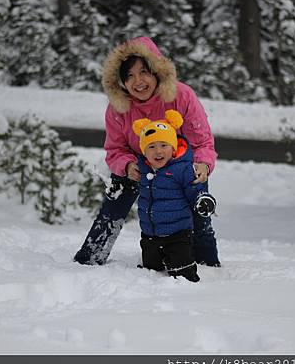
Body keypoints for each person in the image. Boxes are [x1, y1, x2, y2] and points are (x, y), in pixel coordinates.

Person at [73, 36, 220, 266]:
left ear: (156, 71)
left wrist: (203, 164)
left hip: (178, 164)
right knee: (113, 204)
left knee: (198, 207)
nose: (138, 81)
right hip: (138, 164)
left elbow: (202, 142)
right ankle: (90, 257)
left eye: (143, 72)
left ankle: (207, 263)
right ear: (121, 82)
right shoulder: (118, 108)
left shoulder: (181, 96)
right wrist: (128, 166)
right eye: (129, 76)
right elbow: (115, 149)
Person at [132, 110, 216, 282]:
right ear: (144, 151)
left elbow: (195, 189)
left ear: (173, 147)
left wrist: (203, 199)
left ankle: (185, 283)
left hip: (178, 234)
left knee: (182, 272)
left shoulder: (182, 169)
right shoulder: (142, 169)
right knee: (150, 270)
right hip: (150, 234)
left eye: (164, 145)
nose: (158, 151)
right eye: (151, 147)